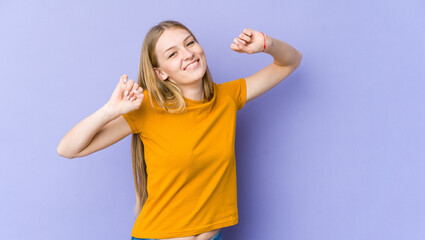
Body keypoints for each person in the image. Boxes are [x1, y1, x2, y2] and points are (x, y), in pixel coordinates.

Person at [57, 20, 302, 240]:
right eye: (172, 54)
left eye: (190, 43)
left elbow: (290, 61)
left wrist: (266, 44)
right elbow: (68, 149)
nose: (188, 54)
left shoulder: (228, 97)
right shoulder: (147, 107)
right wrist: (110, 110)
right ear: (160, 72)